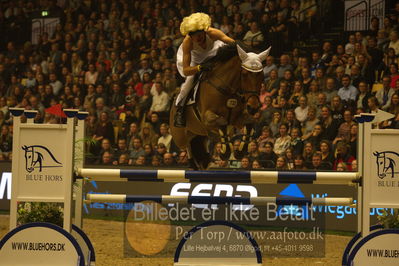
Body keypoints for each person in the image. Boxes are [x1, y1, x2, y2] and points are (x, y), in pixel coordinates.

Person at [174, 13, 235, 127]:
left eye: (201, 35)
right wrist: (199, 68)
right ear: (190, 36)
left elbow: (232, 42)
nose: (199, 39)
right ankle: (180, 109)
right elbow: (186, 70)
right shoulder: (187, 42)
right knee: (190, 80)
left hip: (212, 53)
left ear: (204, 31)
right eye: (196, 37)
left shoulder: (212, 32)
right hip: (194, 61)